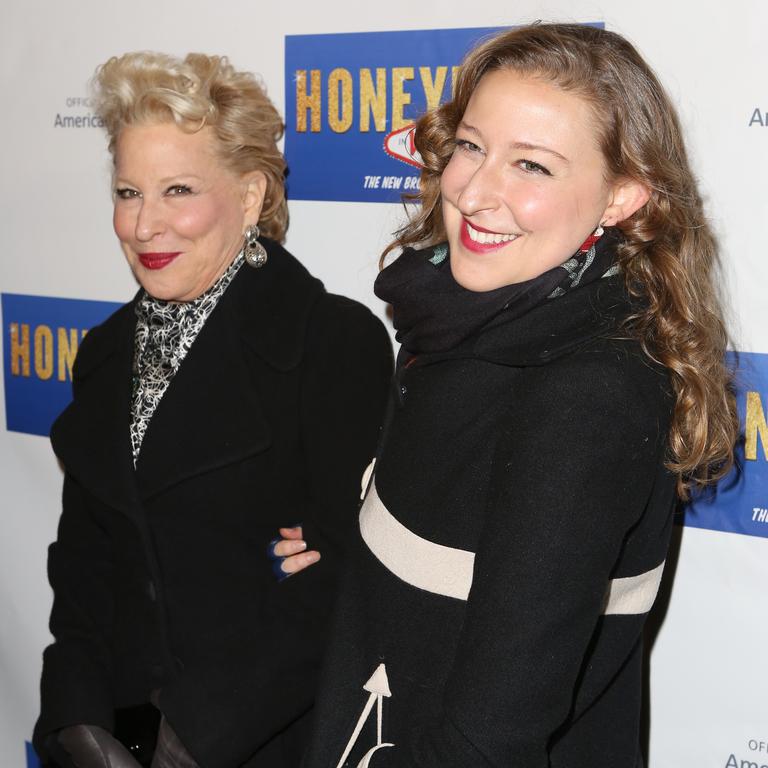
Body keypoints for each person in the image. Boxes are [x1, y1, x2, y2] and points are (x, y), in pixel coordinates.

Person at [277, 23, 738, 768]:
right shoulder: (471, 314)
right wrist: (367, 540)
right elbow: (462, 524)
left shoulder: (587, 394)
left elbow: (491, 737)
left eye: (533, 166)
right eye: (471, 145)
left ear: (620, 197)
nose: (475, 190)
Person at [32, 52, 393, 768]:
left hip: (258, 742)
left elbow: (338, 585)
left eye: (178, 190)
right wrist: (76, 723)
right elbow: (85, 567)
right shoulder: (105, 354)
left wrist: (187, 741)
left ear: (251, 195)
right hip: (116, 734)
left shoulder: (333, 344)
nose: (143, 225)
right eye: (129, 192)